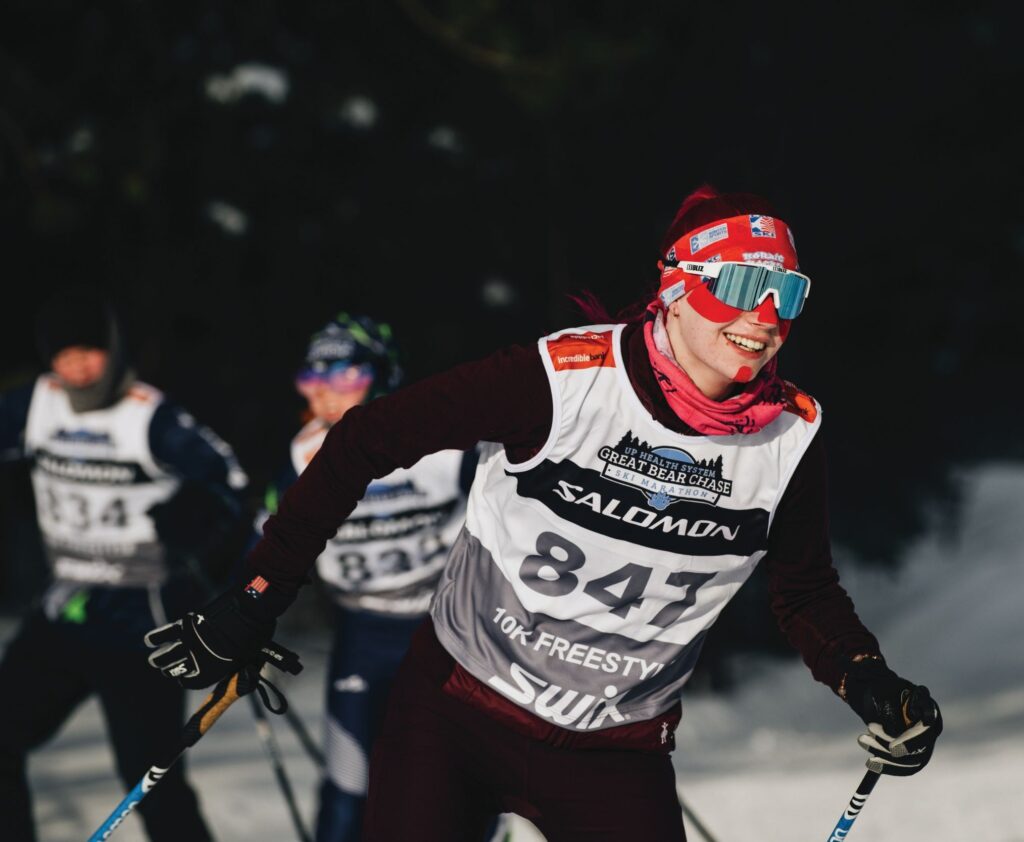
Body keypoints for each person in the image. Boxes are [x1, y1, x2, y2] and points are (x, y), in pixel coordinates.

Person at [145, 187, 943, 841]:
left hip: (616, 749)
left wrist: (868, 680)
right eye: (737, 284)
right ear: (675, 286)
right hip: (457, 711)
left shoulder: (789, 435)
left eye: (787, 292)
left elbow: (804, 591)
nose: (765, 314)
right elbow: (365, 439)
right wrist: (256, 597)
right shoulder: (566, 378)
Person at [0, 287, 248, 842]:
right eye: (64, 356)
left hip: (142, 623)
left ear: (113, 352)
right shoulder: (35, 404)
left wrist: (196, 515)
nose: (78, 368)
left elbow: (228, 481)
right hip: (68, 608)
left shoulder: (149, 416)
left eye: (89, 353)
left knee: (151, 783)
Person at [245, 313, 478, 842]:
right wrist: (244, 616)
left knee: (450, 793)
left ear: (383, 375)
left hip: (448, 634)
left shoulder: (445, 444)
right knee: (347, 792)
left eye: (346, 375)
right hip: (362, 636)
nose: (325, 391)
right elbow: (263, 550)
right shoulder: (301, 456)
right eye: (312, 376)